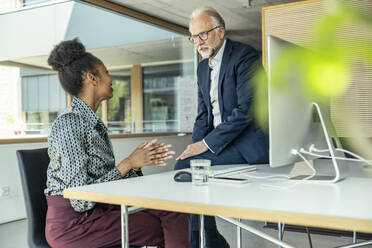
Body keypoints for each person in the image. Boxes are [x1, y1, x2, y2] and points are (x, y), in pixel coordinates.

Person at [44, 38, 190, 248]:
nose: (111, 78)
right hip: (74, 225)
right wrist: (127, 164)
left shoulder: (90, 122)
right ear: (92, 78)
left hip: (99, 211)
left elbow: (104, 183)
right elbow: (79, 199)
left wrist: (135, 164)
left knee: (173, 209)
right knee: (159, 226)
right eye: (106, 72)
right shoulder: (69, 125)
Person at [174, 6, 269, 248]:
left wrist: (204, 145)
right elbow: (203, 115)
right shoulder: (202, 68)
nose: (198, 42)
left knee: (187, 168)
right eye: (193, 37)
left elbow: (245, 111)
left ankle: (202, 243)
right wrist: (194, 145)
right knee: (185, 165)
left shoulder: (245, 56)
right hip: (220, 146)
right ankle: (210, 241)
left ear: (221, 31)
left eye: (203, 34)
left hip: (245, 146)